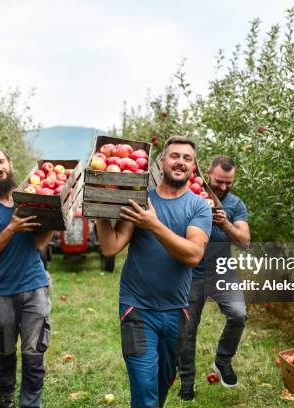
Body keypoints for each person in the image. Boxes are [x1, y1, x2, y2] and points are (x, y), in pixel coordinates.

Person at [96, 137, 212, 408]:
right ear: (161, 162)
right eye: (174, 156)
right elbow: (110, 246)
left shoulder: (198, 207)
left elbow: (194, 254)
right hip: (137, 309)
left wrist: (153, 224)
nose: (180, 162)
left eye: (187, 158)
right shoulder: (139, 200)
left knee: (161, 386)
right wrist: (99, 206)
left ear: (193, 167)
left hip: (176, 310)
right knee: (144, 387)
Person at [0, 148, 54, 408]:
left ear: (10, 163)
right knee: (5, 351)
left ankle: (31, 403)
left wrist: (53, 219)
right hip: (2, 292)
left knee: (34, 353)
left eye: (1, 161)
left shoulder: (29, 198)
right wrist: (11, 228)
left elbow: (38, 242)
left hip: (35, 286)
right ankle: (6, 395)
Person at [178, 155, 250, 400]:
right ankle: (187, 379)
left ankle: (223, 360)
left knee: (238, 315)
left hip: (222, 271)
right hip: (192, 272)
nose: (223, 187)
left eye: (228, 183)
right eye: (219, 182)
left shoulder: (236, 204)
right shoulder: (191, 195)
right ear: (207, 173)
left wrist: (226, 224)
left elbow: (245, 241)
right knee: (187, 328)